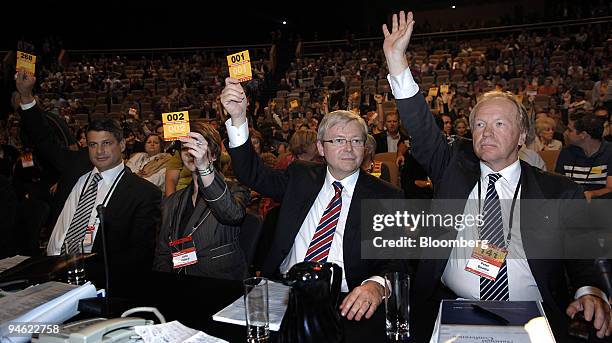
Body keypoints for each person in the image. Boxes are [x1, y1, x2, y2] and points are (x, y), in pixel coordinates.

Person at [382, 11, 610, 341]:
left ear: (522, 136)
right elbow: (421, 126)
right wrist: (396, 59)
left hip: (533, 316)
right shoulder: (452, 169)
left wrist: (590, 292)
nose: (486, 132)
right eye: (479, 124)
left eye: (500, 124)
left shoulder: (559, 191)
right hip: (450, 309)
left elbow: (583, 258)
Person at [221, 77, 404, 321]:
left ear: (365, 148)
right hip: (284, 291)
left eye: (356, 141)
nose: (348, 148)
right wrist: (239, 118)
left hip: (346, 302)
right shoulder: (300, 176)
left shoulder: (387, 196)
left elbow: (400, 260)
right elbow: (250, 173)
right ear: (320, 147)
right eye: (338, 140)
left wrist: (376, 285)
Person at [16, 70, 161, 275]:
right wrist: (26, 96)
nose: (99, 151)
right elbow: (43, 139)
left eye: (106, 143)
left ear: (121, 145)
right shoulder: (76, 165)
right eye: (93, 144)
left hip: (94, 280)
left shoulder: (144, 193)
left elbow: (139, 257)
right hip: (48, 270)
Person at [153, 122, 249, 279]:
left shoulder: (234, 189)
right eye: (185, 148)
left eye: (198, 146)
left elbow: (231, 214)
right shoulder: (172, 201)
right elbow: (163, 252)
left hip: (221, 285)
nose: (191, 152)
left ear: (214, 154)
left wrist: (204, 167)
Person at [556, 111, 612, 201]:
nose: (565, 133)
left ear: (583, 135)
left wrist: (592, 194)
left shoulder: (609, 152)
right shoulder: (566, 153)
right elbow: (558, 185)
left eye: (570, 130)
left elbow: (610, 188)